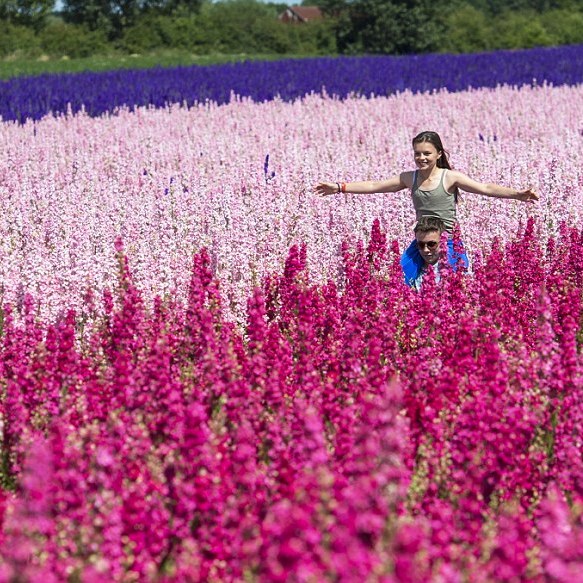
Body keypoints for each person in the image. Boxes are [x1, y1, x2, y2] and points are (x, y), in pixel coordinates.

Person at [314, 130, 539, 281]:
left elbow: (486, 188)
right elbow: (375, 185)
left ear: (438, 154)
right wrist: (339, 187)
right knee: (402, 278)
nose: (421, 158)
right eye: (417, 153)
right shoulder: (409, 178)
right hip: (422, 240)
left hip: (448, 239)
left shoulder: (450, 177)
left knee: (456, 280)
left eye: (427, 153)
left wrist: (518, 195)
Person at [405, 216, 456, 290]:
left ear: (443, 242)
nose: (426, 250)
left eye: (431, 244)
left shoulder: (453, 271)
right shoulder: (412, 271)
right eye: (421, 245)